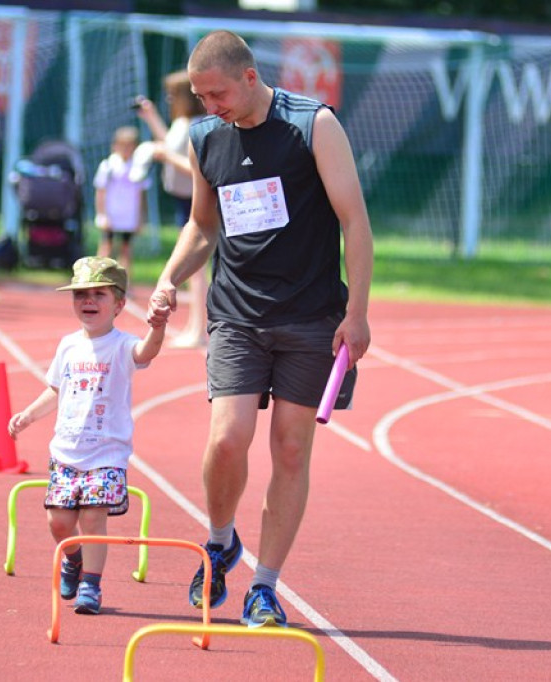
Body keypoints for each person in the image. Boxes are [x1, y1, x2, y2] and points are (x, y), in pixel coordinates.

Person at [145, 30, 374, 628]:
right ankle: (221, 541)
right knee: (226, 438)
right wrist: (170, 278)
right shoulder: (204, 138)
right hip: (238, 315)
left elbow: (355, 222)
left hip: (312, 316)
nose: (209, 105)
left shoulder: (313, 125)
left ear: (249, 77)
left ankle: (265, 587)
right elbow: (202, 226)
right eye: (199, 96)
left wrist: (358, 314)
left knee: (291, 449)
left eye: (216, 93)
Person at [7, 256, 167, 615]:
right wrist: (29, 416)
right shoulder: (68, 345)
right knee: (59, 521)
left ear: (119, 305)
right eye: (80, 295)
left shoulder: (123, 345)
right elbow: (55, 389)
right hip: (66, 452)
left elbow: (148, 351)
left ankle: (91, 586)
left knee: (94, 516)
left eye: (98, 294)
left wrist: (157, 327)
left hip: (107, 452)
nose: (88, 301)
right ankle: (73, 560)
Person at [135, 71, 209, 348]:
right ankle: (194, 325)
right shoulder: (181, 123)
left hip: (193, 200)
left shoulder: (197, 126)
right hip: (181, 198)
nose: (168, 99)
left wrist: (165, 156)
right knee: (192, 270)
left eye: (172, 95)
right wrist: (151, 117)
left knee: (196, 267)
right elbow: (169, 143)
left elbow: (195, 169)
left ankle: (200, 328)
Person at [93, 126, 148, 285]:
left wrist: (141, 217)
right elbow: (100, 191)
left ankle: (124, 283)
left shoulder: (137, 168)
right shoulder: (108, 165)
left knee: (126, 249)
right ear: (115, 146)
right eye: (123, 145)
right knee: (106, 246)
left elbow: (141, 194)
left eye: (130, 146)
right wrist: (102, 214)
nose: (126, 150)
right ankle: (99, 279)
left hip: (129, 215)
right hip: (111, 214)